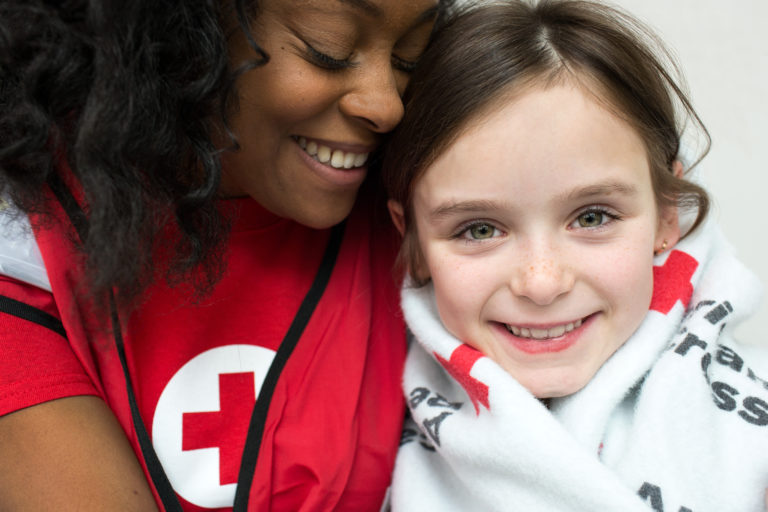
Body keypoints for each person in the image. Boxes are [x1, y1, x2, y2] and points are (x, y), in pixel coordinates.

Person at [0, 0, 449, 510]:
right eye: (330, 49)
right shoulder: (29, 246)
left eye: (409, 56)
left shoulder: (429, 214)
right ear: (187, 36)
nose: (386, 104)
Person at [381, 1, 768, 510]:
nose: (542, 285)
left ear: (667, 215)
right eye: (479, 229)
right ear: (411, 240)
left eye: (592, 218)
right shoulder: (363, 438)